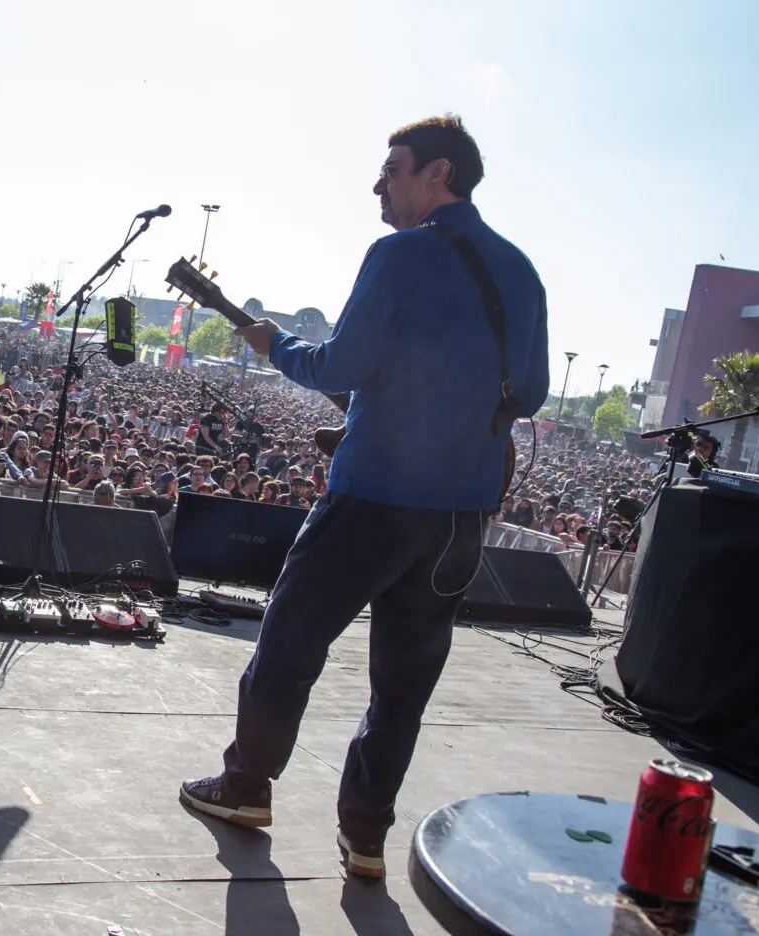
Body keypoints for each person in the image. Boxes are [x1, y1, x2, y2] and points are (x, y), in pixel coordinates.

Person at [180, 115, 550, 879]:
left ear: (438, 175)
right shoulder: (522, 271)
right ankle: (367, 836)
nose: (377, 185)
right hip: (461, 519)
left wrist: (276, 344)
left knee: (287, 646)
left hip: (373, 500)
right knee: (404, 685)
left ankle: (246, 788)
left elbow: (339, 366)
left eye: (392, 170)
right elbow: (533, 392)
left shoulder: (399, 254)